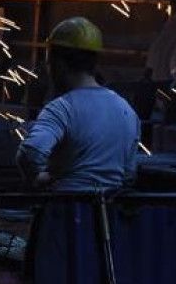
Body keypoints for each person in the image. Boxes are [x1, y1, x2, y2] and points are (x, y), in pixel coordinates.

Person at [15, 17, 139, 191]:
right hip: (109, 206)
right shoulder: (126, 110)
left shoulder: (61, 108)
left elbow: (31, 153)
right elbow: (129, 174)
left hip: (65, 205)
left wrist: (39, 178)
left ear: (58, 63)